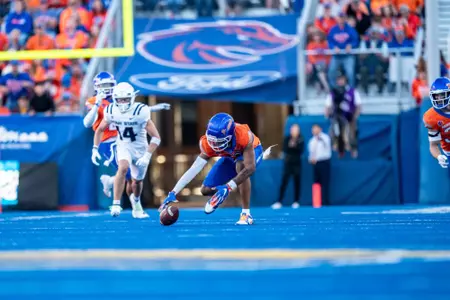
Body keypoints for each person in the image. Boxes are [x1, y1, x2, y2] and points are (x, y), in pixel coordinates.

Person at [159, 113, 274, 225]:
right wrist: (174, 191)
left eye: (219, 141)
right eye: (212, 140)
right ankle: (223, 192)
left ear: (230, 136)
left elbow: (250, 168)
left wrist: (228, 187)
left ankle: (246, 214)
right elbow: (194, 168)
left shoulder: (244, 136)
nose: (214, 145)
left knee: (241, 166)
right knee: (205, 190)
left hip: (251, 152)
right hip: (229, 156)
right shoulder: (207, 143)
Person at [83, 72, 170, 203]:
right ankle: (120, 195)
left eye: (109, 85)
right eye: (103, 85)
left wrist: (151, 109)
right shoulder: (93, 101)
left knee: (131, 176)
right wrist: (97, 104)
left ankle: (115, 186)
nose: (107, 88)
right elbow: (87, 123)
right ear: (96, 87)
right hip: (108, 141)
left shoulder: (117, 97)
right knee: (127, 172)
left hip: (123, 139)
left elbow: (132, 110)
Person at [92, 82, 161, 218]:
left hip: (141, 148)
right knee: (122, 168)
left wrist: (147, 155)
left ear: (132, 98)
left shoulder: (141, 111)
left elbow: (156, 138)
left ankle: (136, 203)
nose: (123, 102)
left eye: (126, 99)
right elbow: (100, 129)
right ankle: (116, 204)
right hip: (124, 145)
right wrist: (95, 148)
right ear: (115, 99)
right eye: (120, 99)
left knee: (137, 182)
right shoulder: (111, 110)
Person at [325, 74, 361, 158]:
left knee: (352, 131)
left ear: (345, 80)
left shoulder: (352, 91)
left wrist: (355, 115)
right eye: (338, 79)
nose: (340, 81)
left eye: (342, 79)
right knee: (335, 130)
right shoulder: (333, 92)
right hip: (337, 116)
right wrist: (327, 113)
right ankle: (339, 149)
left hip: (349, 116)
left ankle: (353, 149)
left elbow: (358, 105)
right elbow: (328, 105)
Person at [271, 124, 304, 209]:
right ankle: (279, 201)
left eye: (296, 130)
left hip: (297, 163)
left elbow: (300, 150)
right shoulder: (287, 138)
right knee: (284, 182)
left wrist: (294, 146)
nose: (294, 131)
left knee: (297, 182)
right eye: (293, 130)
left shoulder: (301, 139)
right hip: (288, 163)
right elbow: (285, 148)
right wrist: (292, 147)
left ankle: (296, 201)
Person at [423, 77, 450, 169]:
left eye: (441, 95)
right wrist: (439, 156)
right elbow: (433, 145)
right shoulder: (431, 117)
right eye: (436, 96)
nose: (438, 99)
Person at [308, 124, 332, 206]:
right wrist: (311, 159)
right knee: (316, 183)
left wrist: (320, 137)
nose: (314, 130)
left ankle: (326, 202)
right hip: (316, 163)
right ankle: (317, 202)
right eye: (313, 129)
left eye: (316, 129)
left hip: (324, 162)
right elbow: (311, 153)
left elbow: (327, 149)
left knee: (325, 182)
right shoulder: (311, 141)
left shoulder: (325, 138)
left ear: (320, 129)